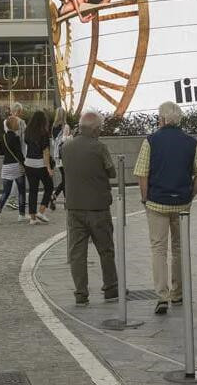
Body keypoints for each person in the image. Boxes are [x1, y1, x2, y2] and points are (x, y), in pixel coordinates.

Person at [133, 101, 197, 315]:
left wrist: (145, 198)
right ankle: (178, 292)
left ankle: (162, 296)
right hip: (181, 204)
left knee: (158, 248)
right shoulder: (191, 142)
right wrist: (190, 194)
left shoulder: (150, 141)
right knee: (179, 248)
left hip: (157, 202)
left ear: (163, 119)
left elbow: (142, 174)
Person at [62, 110, 119, 305]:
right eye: (100, 128)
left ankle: (81, 293)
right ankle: (111, 288)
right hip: (98, 207)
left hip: (74, 207)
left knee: (77, 253)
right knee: (106, 249)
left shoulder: (66, 147)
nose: (100, 131)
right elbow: (112, 172)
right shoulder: (99, 147)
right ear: (95, 130)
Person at [23, 110, 54, 224]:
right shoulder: (43, 133)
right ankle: (41, 211)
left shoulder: (28, 132)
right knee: (49, 187)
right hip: (40, 164)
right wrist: (48, 168)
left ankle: (32, 218)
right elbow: (45, 151)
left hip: (28, 163)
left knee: (33, 190)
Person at [0, 116, 27, 224]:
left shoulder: (3, 137)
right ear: (13, 125)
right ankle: (21, 215)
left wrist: (7, 152)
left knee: (6, 192)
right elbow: (19, 153)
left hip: (6, 167)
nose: (18, 124)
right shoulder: (15, 137)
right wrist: (24, 165)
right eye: (17, 123)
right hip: (16, 167)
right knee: (21, 191)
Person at [50, 107, 72, 210]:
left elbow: (53, 142)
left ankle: (56, 196)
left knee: (64, 178)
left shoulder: (53, 127)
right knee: (66, 178)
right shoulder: (65, 126)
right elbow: (64, 140)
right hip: (64, 155)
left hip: (56, 155)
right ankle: (64, 200)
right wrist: (70, 137)